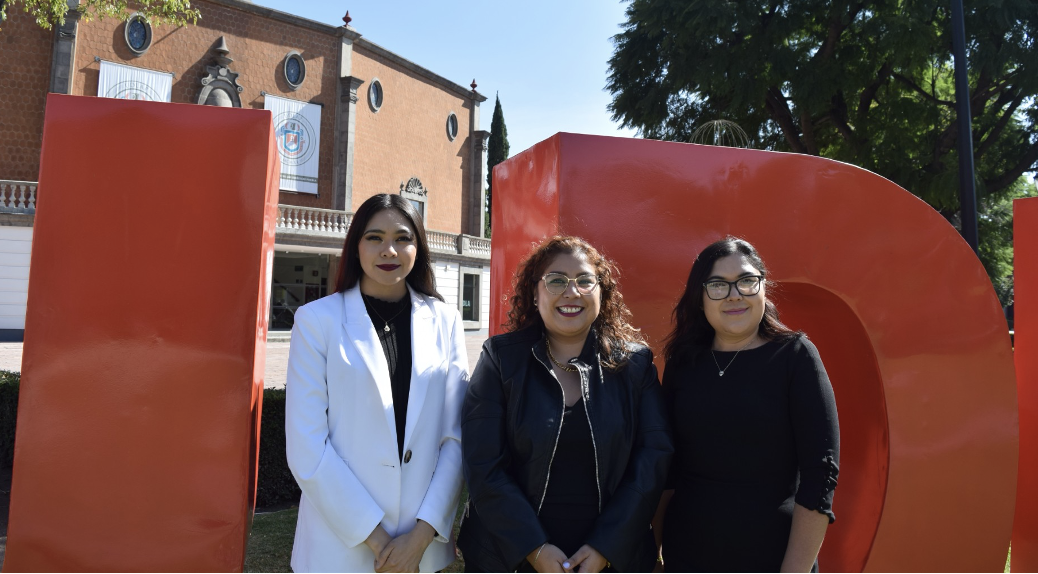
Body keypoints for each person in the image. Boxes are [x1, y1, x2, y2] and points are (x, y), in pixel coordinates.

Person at [459, 235, 673, 573]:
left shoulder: (635, 365)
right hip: (509, 558)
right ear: (535, 293)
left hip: (612, 560)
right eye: (556, 281)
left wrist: (606, 547)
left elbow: (652, 461)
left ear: (602, 293)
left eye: (585, 281)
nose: (571, 292)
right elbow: (483, 464)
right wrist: (534, 549)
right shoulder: (501, 359)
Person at [285, 193, 469, 572]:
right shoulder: (316, 321)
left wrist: (421, 537)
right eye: (375, 238)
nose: (389, 250)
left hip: (421, 548)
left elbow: (457, 437)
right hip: (340, 547)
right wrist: (379, 541)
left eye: (403, 238)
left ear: (418, 248)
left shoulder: (446, 321)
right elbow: (307, 445)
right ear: (356, 246)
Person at [655, 236, 840, 572]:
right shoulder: (683, 363)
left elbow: (821, 475)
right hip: (688, 555)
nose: (734, 294)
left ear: (763, 288)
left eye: (746, 281)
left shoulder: (795, 357)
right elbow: (666, 469)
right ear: (700, 298)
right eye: (718, 285)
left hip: (773, 557)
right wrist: (653, 557)